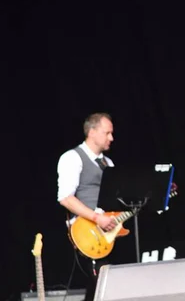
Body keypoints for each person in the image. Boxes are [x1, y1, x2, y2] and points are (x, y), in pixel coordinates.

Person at [57, 113, 116, 301]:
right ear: (92, 132)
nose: (111, 138)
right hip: (86, 234)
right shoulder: (72, 158)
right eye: (107, 133)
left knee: (103, 289)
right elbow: (65, 198)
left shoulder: (109, 164)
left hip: (108, 235)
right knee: (100, 286)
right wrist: (97, 218)